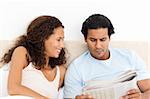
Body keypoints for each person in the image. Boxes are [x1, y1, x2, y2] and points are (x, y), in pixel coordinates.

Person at [64, 14, 150, 99]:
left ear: (109, 38)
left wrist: (142, 96)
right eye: (93, 40)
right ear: (85, 39)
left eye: (102, 40)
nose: (98, 46)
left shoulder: (130, 57)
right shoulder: (76, 68)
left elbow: (148, 90)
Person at [0, 15, 66, 99]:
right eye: (58, 39)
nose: (62, 45)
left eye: (63, 40)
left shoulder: (60, 71)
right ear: (43, 38)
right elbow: (13, 88)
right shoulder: (22, 53)